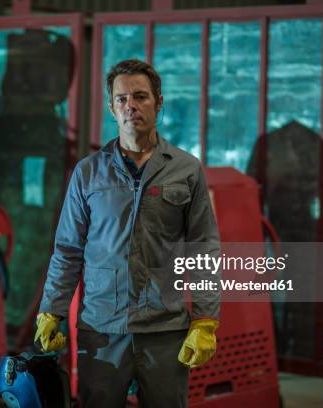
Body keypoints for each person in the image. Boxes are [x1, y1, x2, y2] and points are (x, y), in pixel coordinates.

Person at [35, 59, 220, 408]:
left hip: (165, 330)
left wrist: (206, 319)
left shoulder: (186, 170)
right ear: (111, 107)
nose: (130, 105)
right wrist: (52, 311)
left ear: (158, 102)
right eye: (121, 99)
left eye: (140, 96)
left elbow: (203, 249)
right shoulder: (89, 173)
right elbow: (68, 250)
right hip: (102, 330)